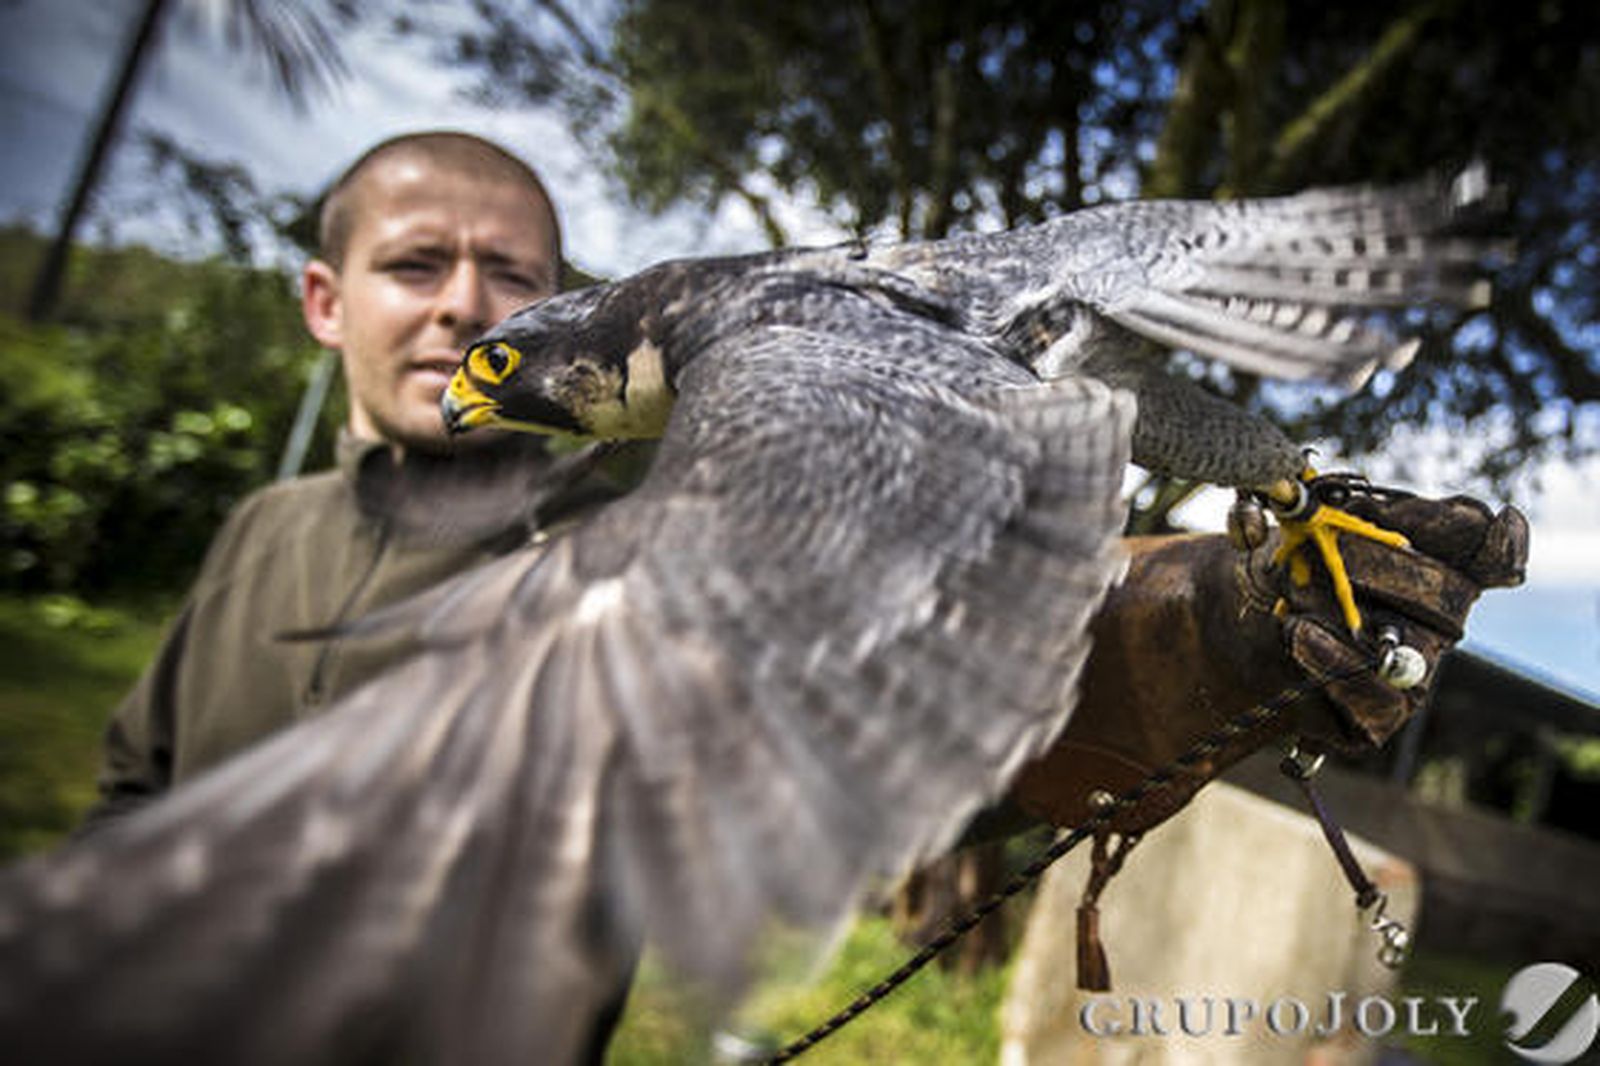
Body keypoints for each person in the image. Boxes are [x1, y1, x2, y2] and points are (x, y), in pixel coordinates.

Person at [79, 130, 1527, 1059]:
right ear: (328, 298)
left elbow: (1029, 628)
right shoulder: (264, 531)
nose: (464, 320)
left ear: (587, 314)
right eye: (416, 267)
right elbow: (137, 795)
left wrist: (1228, 610)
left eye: (506, 298)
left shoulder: (672, 474)